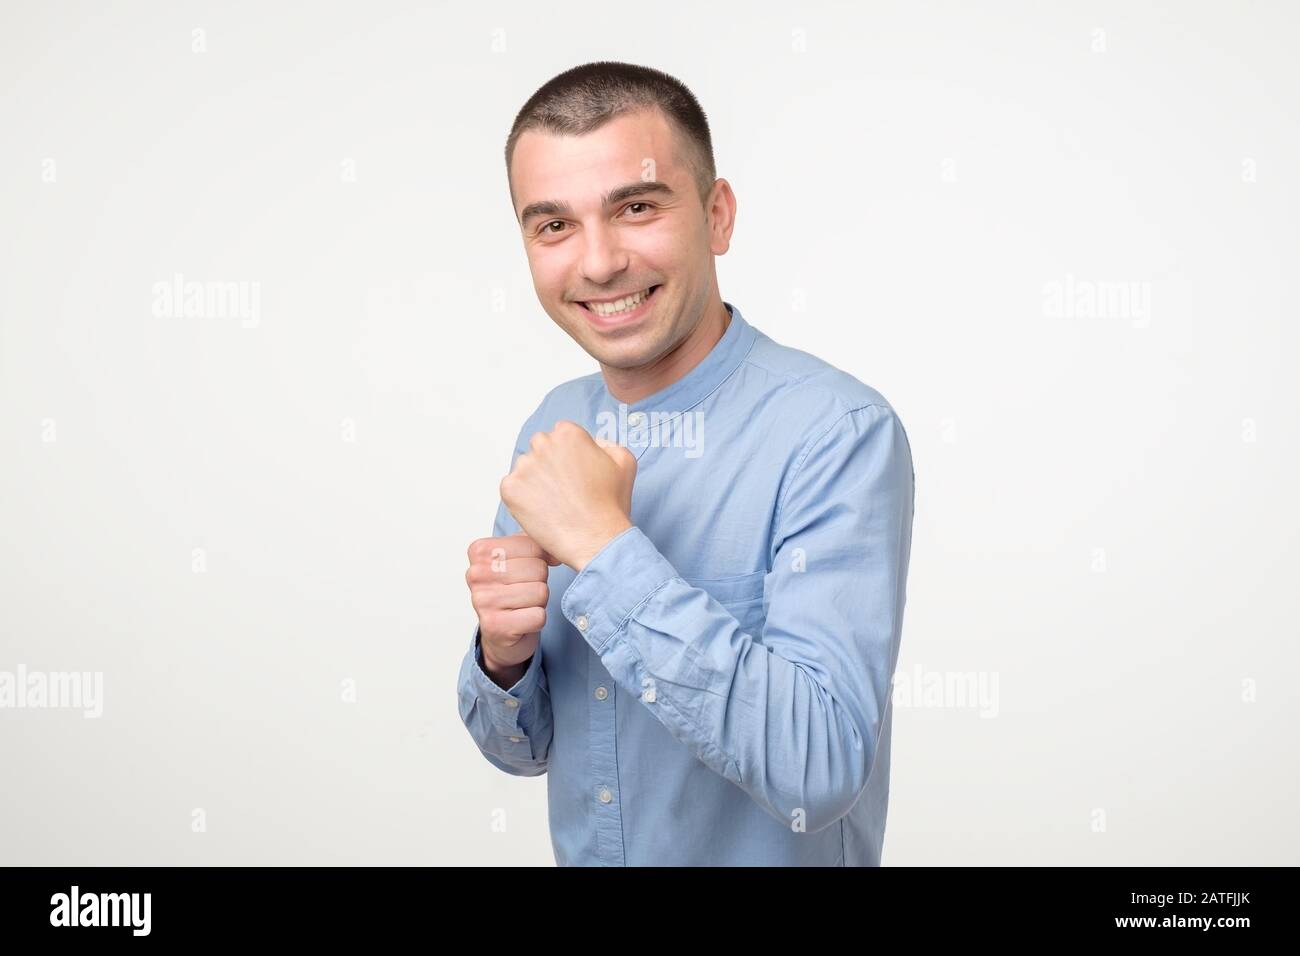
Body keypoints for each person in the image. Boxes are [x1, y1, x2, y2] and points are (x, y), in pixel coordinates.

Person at [456, 61, 915, 866]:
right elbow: (519, 752)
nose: (598, 264)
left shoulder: (835, 431)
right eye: (553, 225)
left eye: (635, 207)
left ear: (717, 214)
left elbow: (820, 769)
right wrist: (504, 657)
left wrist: (605, 550)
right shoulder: (554, 424)